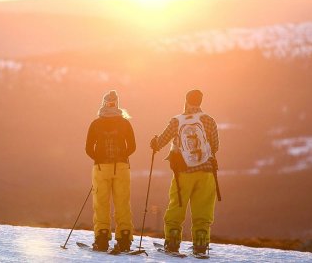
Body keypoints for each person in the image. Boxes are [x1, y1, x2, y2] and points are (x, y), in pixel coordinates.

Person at [150, 89, 220, 255]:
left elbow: (161, 142)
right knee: (203, 210)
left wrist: (154, 143)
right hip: (206, 172)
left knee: (177, 207)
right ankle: (201, 244)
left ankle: (173, 242)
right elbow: (215, 146)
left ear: (186, 101)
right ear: (200, 102)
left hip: (183, 173)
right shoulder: (209, 120)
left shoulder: (177, 121)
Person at [85, 90, 136, 252]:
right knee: (122, 203)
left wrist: (98, 158)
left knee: (101, 204)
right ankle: (125, 239)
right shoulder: (125, 123)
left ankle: (101, 239)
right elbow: (132, 147)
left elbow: (88, 148)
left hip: (101, 168)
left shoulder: (96, 123)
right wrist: (122, 157)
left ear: (103, 104)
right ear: (117, 104)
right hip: (121, 167)